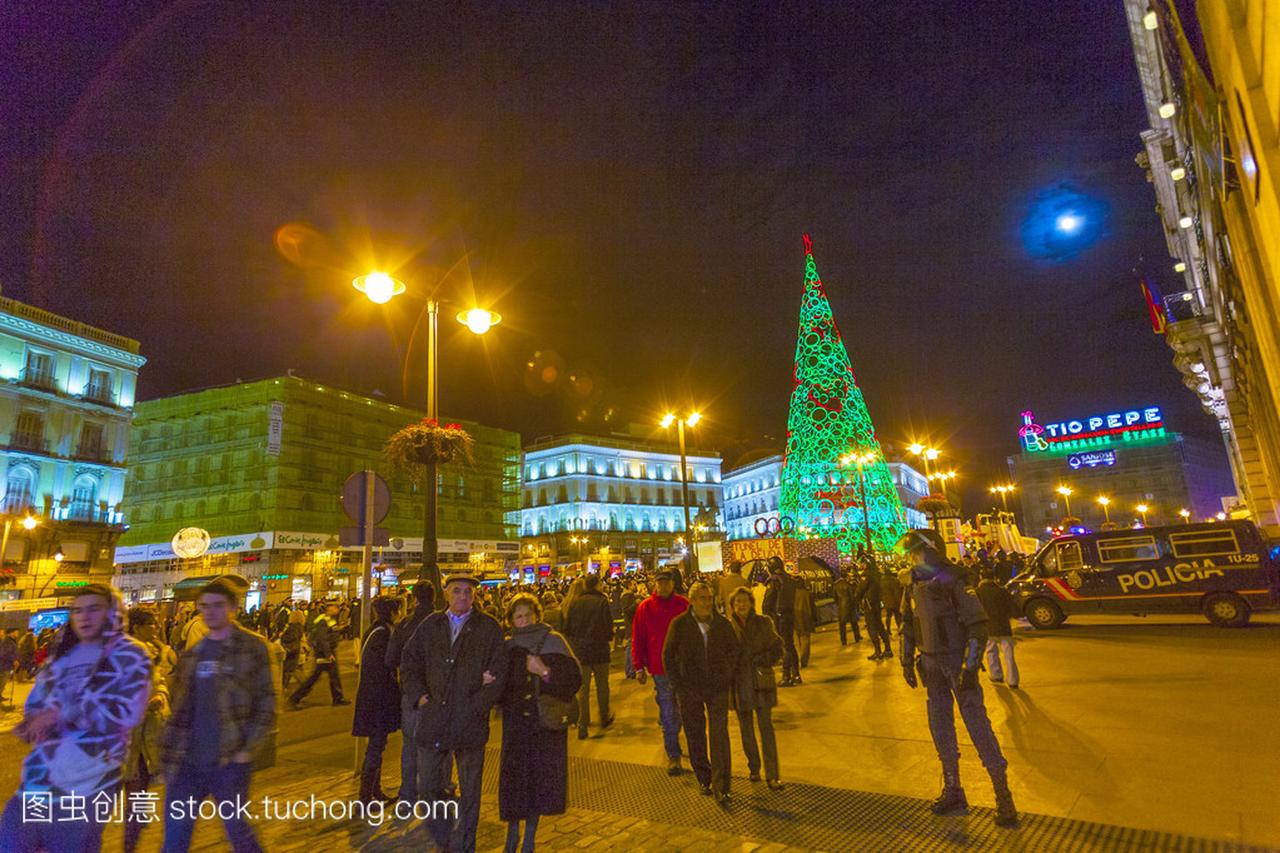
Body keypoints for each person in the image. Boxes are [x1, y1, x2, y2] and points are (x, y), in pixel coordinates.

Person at [0, 585, 152, 853]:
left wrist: (60, 714)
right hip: (41, 777)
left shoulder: (130, 654)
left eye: (94, 609)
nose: (84, 616)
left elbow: (127, 710)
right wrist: (33, 723)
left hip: (92, 781)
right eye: (78, 610)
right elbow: (36, 702)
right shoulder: (64, 656)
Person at [896, 529, 1018, 828]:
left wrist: (970, 665)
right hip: (930, 663)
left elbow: (977, 624)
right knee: (940, 727)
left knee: (978, 726)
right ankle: (953, 789)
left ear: (930, 551)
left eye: (915, 552)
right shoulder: (913, 583)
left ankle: (1003, 795)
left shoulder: (954, 579)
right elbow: (908, 624)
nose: (912, 558)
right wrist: (906, 660)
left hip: (955, 661)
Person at [160, 578, 276, 852]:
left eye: (217, 606)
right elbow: (180, 712)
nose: (210, 612)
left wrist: (247, 749)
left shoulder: (253, 646)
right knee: (174, 839)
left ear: (234, 607)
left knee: (238, 831)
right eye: (204, 606)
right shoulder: (193, 654)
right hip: (187, 763)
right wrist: (166, 757)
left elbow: (267, 701)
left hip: (229, 760)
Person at [400, 572, 508, 852]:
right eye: (457, 591)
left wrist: (478, 704)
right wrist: (420, 697)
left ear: (475, 596)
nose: (463, 596)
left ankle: (466, 844)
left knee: (471, 792)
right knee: (428, 789)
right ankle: (445, 837)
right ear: (446, 593)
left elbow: (498, 672)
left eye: (468, 592)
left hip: (469, 721)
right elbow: (409, 662)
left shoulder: (488, 627)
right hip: (434, 718)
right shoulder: (431, 625)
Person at [498, 593, 582, 853]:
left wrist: (544, 672)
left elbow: (573, 681)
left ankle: (529, 840)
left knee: (538, 783)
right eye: (518, 617)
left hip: (543, 725)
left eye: (528, 615)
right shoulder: (507, 646)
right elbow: (502, 691)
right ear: (512, 620)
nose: (523, 621)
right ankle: (511, 837)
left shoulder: (554, 642)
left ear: (537, 615)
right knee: (514, 782)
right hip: (515, 725)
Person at [662, 582, 739, 803]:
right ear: (692, 601)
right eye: (702, 598)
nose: (707, 602)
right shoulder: (680, 625)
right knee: (695, 734)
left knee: (719, 735)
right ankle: (704, 777)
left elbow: (734, 651)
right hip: (690, 688)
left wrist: (726, 674)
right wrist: (678, 684)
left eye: (709, 598)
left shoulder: (722, 624)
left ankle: (722, 784)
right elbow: (668, 656)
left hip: (717, 687)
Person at [123, 608, 175, 853]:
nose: (156, 627)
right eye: (151, 624)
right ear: (136, 628)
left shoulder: (153, 653)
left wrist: (160, 697)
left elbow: (161, 682)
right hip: (125, 742)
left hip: (146, 740)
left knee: (140, 791)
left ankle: (134, 832)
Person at [630, 568, 690, 775]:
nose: (663, 585)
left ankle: (674, 733)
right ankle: (673, 755)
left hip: (683, 668)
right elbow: (638, 638)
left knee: (682, 709)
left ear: (673, 584)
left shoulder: (683, 604)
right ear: (655, 584)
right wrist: (638, 666)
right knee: (667, 711)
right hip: (659, 668)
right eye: (660, 582)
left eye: (667, 582)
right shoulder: (645, 607)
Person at [726, 587, 784, 790]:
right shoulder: (726, 628)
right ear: (732, 606)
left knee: (766, 727)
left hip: (761, 681)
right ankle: (754, 767)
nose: (742, 605)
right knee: (746, 729)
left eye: (745, 601)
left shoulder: (763, 622)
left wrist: (764, 660)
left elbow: (778, 647)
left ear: (751, 603)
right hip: (739, 682)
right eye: (737, 602)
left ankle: (772, 774)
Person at [385, 582, 434, 806]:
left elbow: (390, 659)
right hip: (437, 694)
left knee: (410, 746)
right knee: (438, 747)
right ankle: (434, 793)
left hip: (410, 694)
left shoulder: (405, 624)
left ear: (414, 599)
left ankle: (407, 794)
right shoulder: (443, 621)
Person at [353, 596, 402, 804]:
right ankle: (366, 796)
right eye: (397, 610)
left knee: (376, 745)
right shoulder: (383, 634)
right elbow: (387, 666)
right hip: (378, 700)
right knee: (376, 746)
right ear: (391, 612)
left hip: (371, 698)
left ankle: (374, 791)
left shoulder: (374, 631)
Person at [563, 573, 615, 740]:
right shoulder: (602, 601)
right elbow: (608, 626)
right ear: (598, 584)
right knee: (602, 686)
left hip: (581, 651)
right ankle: (604, 717)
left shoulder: (575, 603)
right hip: (599, 649)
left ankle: (583, 724)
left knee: (583, 690)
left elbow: (568, 628)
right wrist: (607, 638)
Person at [288, 600, 349, 708]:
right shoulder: (323, 620)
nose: (337, 609)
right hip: (324, 653)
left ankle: (338, 697)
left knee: (332, 676)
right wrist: (328, 653)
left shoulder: (329, 619)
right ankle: (295, 698)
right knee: (314, 678)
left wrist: (340, 628)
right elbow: (322, 638)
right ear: (330, 608)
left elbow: (330, 633)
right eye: (335, 607)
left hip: (327, 651)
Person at [976, 572, 1019, 689]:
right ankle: (1013, 680)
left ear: (981, 578)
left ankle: (996, 674)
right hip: (1004, 626)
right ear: (994, 578)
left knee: (991, 651)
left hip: (988, 626)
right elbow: (1013, 608)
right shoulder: (1002, 591)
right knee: (1009, 654)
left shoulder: (978, 592)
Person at [763, 557, 801, 685]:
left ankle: (786, 676)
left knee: (784, 646)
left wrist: (765, 616)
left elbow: (768, 601)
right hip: (789, 614)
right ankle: (796, 674)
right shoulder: (789, 579)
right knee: (790, 644)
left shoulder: (774, 580)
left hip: (779, 616)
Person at [856, 554, 892, 660]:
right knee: (880, 626)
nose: (861, 565)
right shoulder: (877, 574)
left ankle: (878, 651)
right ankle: (888, 648)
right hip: (876, 603)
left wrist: (856, 598)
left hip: (869, 604)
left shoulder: (866, 575)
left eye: (862, 563)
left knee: (872, 628)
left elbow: (860, 590)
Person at [831, 569, 862, 646]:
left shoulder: (836, 585)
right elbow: (852, 596)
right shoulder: (848, 585)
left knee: (842, 625)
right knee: (854, 623)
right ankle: (857, 637)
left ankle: (843, 640)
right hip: (850, 607)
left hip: (841, 607)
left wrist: (838, 603)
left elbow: (834, 597)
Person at [793, 574, 816, 669]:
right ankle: (803, 660)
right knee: (805, 640)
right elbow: (813, 607)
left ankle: (799, 657)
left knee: (796, 641)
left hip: (794, 619)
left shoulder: (791, 594)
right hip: (806, 618)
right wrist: (815, 619)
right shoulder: (808, 593)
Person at [279, 609, 305, 690]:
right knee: (290, 669)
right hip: (295, 650)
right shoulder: (299, 627)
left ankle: (305, 684)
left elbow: (292, 637)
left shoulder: (293, 627)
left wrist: (282, 636)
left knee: (289, 669)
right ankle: (284, 686)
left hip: (290, 650)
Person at [882, 564, 904, 632]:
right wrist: (899, 601)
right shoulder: (894, 580)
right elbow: (896, 592)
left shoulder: (881, 581)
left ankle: (888, 629)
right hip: (894, 601)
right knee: (897, 616)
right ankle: (899, 628)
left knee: (888, 616)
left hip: (886, 601)